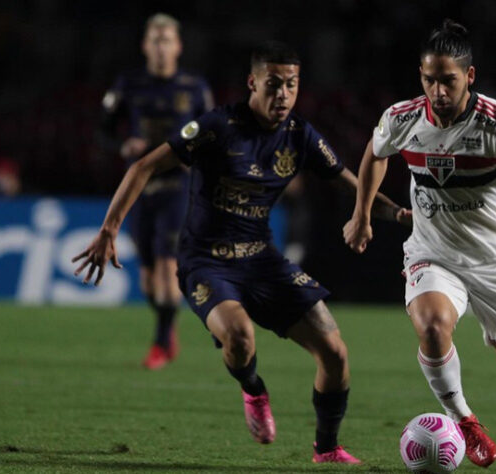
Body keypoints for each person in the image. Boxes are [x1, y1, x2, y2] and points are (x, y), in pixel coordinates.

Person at [75, 40, 409, 464]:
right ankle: (253, 389)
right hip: (206, 262)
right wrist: (109, 229)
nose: (283, 94)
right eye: (273, 84)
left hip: (262, 259)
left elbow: (352, 184)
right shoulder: (217, 126)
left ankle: (326, 449)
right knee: (239, 336)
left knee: (335, 353)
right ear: (253, 83)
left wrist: (397, 215)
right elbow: (143, 166)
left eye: (291, 84)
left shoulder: (300, 135)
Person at [344, 20, 496, 474]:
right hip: (433, 252)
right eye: (429, 79)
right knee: (433, 325)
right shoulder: (403, 118)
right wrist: (361, 215)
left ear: (469, 76)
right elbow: (375, 154)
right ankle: (465, 421)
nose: (437, 90)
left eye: (448, 80)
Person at [99, 13, 214, 369]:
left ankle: (160, 344)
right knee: (148, 279)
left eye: (168, 40)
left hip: (179, 187)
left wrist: (195, 158)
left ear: (178, 46)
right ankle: (167, 326)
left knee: (166, 266)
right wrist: (123, 145)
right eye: (156, 40)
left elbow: (215, 135)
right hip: (140, 188)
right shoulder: (128, 84)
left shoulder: (194, 87)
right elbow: (101, 131)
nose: (161, 47)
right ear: (145, 46)